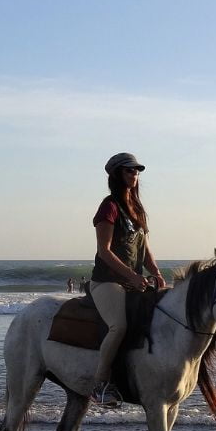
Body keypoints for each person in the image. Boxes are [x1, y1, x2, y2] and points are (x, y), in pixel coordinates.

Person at [88, 152, 167, 406]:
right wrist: (132, 275)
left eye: (136, 171)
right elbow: (104, 251)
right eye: (129, 171)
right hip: (107, 282)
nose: (134, 175)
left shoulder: (137, 209)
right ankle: (100, 384)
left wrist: (155, 272)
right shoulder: (109, 206)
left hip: (133, 282)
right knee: (118, 326)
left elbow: (145, 250)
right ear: (117, 175)